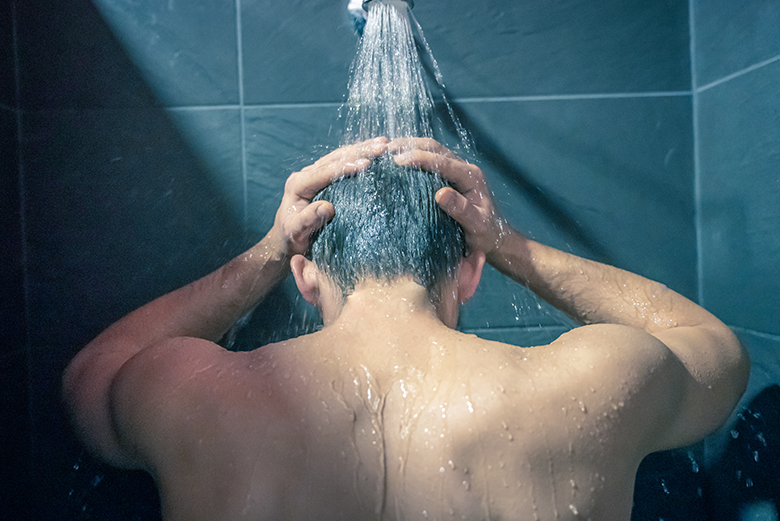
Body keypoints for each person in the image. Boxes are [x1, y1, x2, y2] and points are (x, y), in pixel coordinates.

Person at [63, 137, 749, 521]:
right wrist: (510, 244)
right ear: (471, 272)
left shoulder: (192, 393)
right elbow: (714, 346)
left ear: (305, 277)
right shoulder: (591, 382)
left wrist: (270, 251)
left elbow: (94, 371)